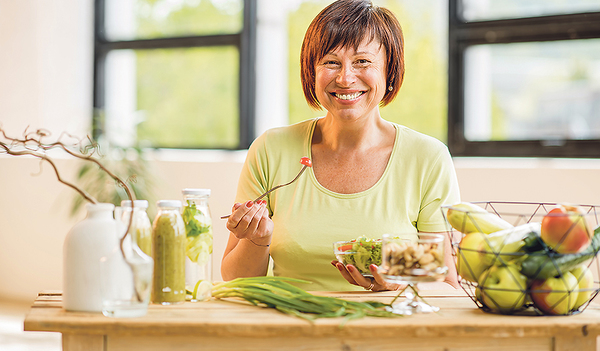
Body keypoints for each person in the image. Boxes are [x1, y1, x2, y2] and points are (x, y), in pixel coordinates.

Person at [222, 0, 460, 292]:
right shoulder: (271, 150)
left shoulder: (426, 158)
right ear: (312, 71)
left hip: (387, 330)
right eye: (331, 62)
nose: (345, 78)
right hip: (289, 326)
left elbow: (446, 282)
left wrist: (396, 283)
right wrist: (258, 241)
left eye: (363, 61)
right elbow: (235, 281)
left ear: (390, 71)